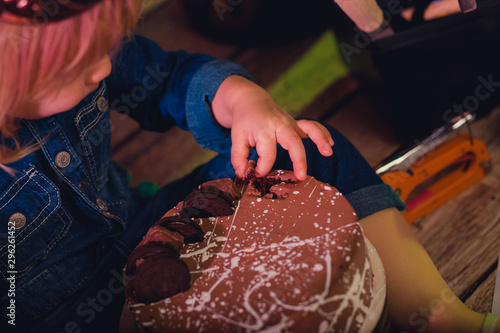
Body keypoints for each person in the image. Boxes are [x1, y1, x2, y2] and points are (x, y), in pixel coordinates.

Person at [0, 1, 497, 333]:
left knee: (309, 149)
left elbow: (165, 78)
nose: (104, 69)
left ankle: (433, 313)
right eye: (77, 66)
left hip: (144, 229)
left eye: (105, 48)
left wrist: (242, 102)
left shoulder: (76, 49)